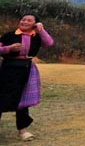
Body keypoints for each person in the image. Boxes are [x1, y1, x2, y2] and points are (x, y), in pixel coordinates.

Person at [0, 13, 54, 141]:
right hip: (8, 69)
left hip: (27, 69)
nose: (24, 22)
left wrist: (41, 30)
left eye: (29, 21)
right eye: (23, 19)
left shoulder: (36, 36)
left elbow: (49, 43)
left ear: (35, 24)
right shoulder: (10, 35)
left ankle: (22, 130)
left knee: (23, 101)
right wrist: (9, 49)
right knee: (1, 97)